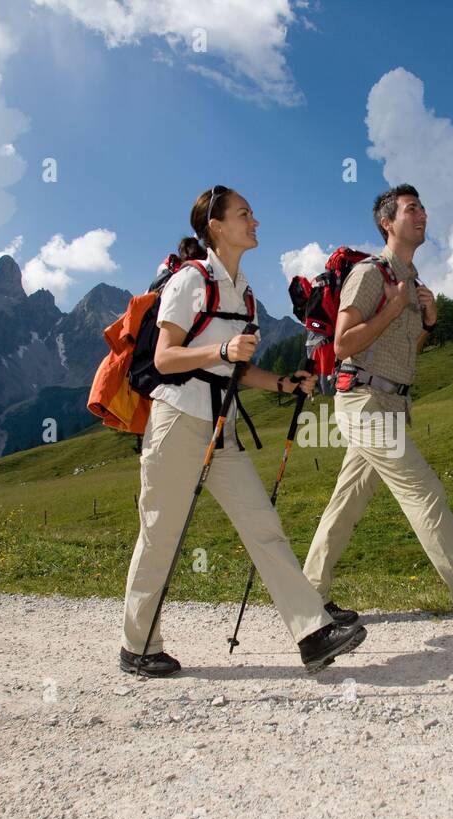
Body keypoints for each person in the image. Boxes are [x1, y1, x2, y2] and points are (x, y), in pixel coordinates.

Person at [120, 185, 367, 677]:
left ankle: (312, 633)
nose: (255, 222)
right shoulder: (192, 281)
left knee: (264, 528)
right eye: (245, 215)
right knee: (160, 536)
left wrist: (280, 383)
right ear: (215, 226)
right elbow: (165, 357)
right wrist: (222, 352)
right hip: (177, 424)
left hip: (222, 427)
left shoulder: (244, 291)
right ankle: (138, 646)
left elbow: (238, 368)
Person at [302, 184, 453, 634]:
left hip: (391, 404)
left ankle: (308, 597)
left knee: (345, 505)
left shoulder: (412, 282)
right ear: (388, 223)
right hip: (363, 402)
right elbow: (345, 343)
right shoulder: (370, 275)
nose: (422, 214)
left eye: (423, 207)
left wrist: (427, 321)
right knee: (426, 493)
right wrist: (394, 306)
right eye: (411, 209)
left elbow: (403, 353)